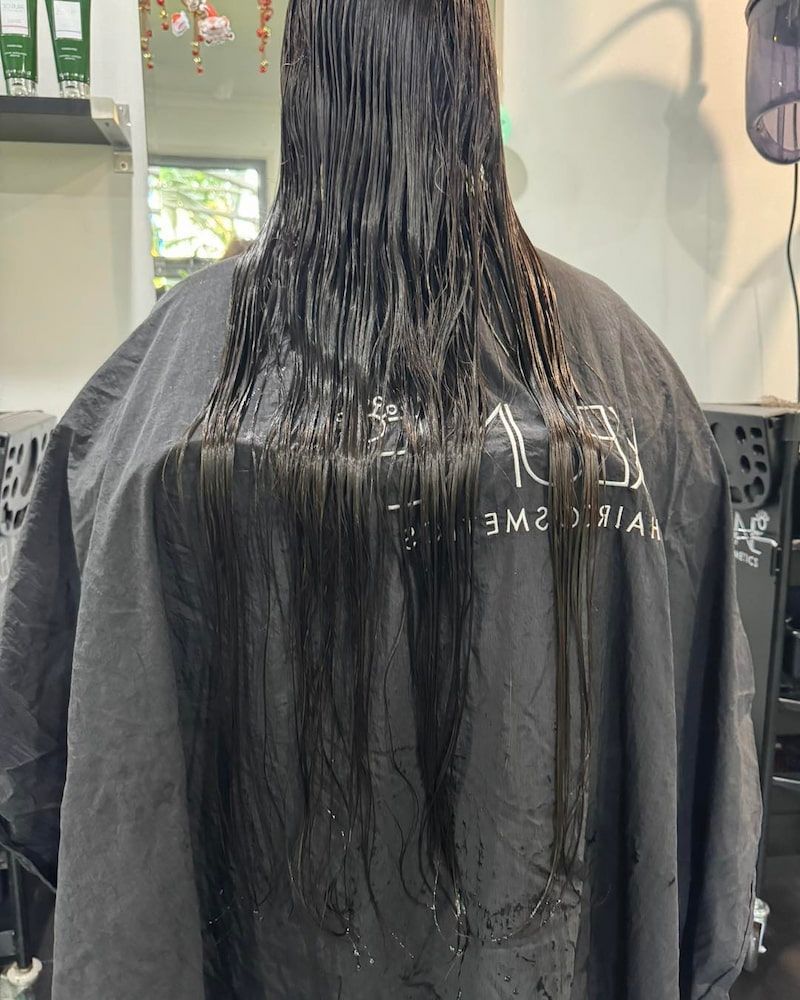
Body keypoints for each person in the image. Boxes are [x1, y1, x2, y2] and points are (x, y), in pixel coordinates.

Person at [0, 1, 761, 998]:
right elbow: (709, 761)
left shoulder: (156, 391)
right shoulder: (626, 378)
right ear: (474, 83)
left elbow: (40, 755)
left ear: (302, 90)